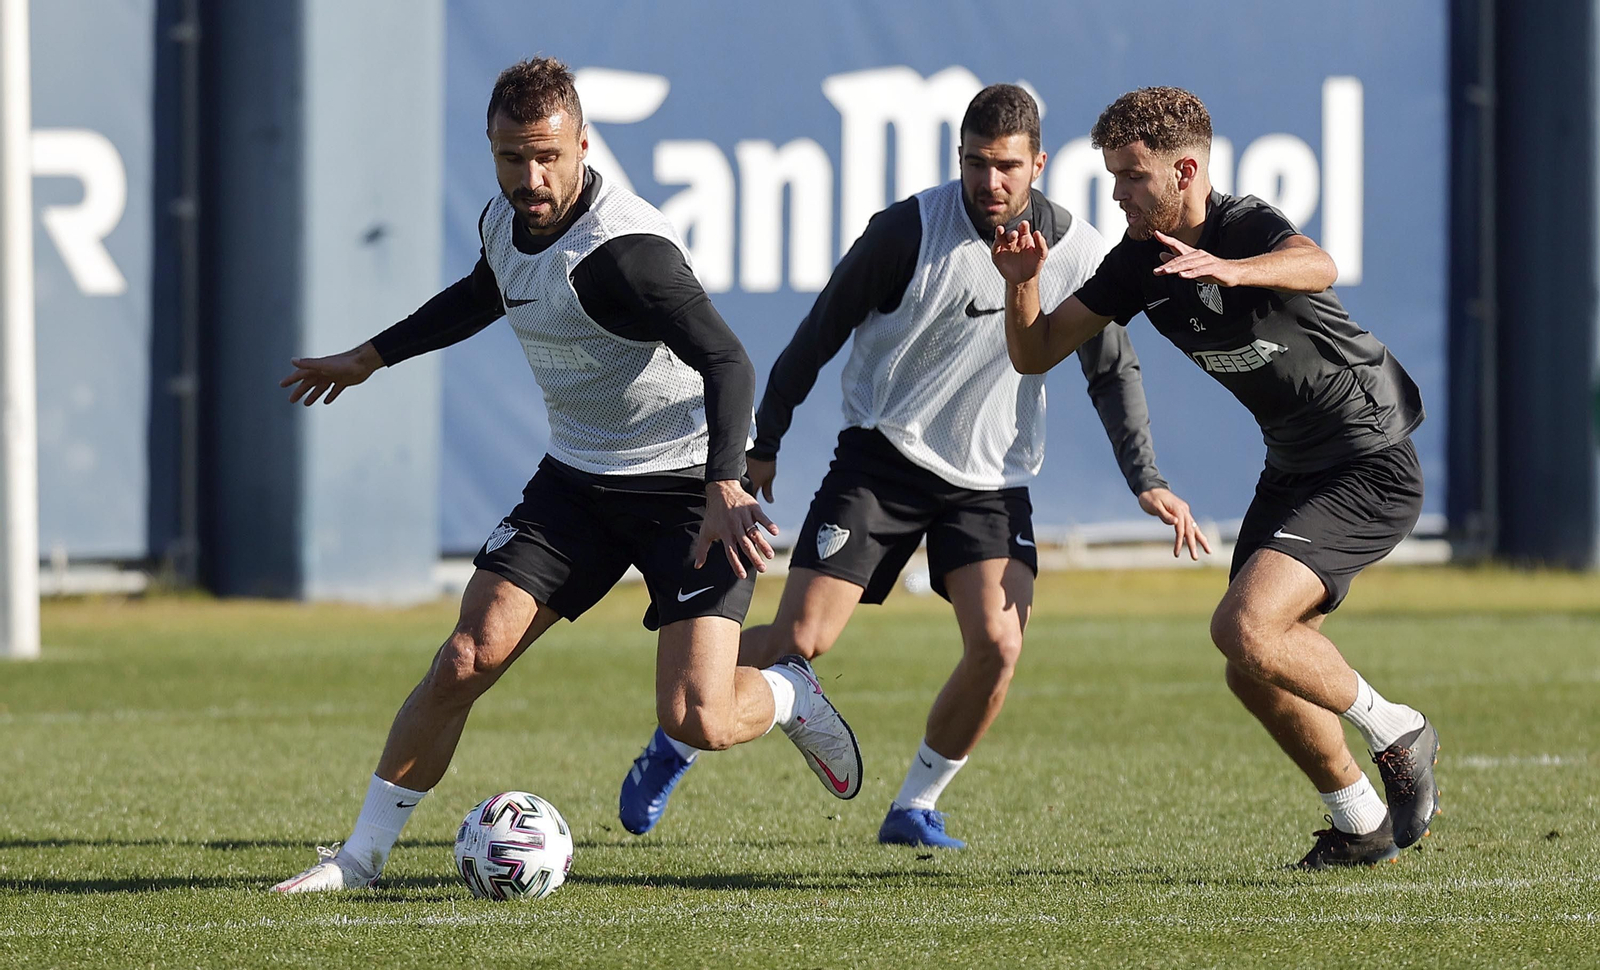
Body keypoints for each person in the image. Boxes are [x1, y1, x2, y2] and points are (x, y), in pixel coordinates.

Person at [271, 58, 861, 893]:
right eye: (513, 158)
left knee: (699, 717)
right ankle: (360, 859)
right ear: (492, 148)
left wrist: (725, 483)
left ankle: (788, 692)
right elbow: (486, 291)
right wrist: (371, 357)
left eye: (548, 155)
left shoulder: (627, 254)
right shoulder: (503, 221)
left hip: (686, 491)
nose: (531, 177)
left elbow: (729, 359)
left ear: (584, 144)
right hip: (576, 484)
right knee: (465, 658)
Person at [618, 84, 1207, 849]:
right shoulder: (906, 230)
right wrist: (766, 442)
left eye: (1005, 167)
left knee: (999, 645)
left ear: (1039, 163)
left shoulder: (1078, 250)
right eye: (973, 163)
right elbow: (820, 329)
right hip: (882, 459)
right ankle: (679, 740)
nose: (988, 183)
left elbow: (1111, 370)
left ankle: (915, 807)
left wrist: (1147, 478)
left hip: (991, 481)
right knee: (802, 638)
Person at [991, 86, 1440, 869]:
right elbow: (1035, 351)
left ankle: (1397, 728)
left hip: (1368, 457)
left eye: (1132, 176)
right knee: (1251, 666)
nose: (1118, 193)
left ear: (1185, 169)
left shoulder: (1242, 224)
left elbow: (1319, 263)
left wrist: (1235, 270)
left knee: (1244, 627)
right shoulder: (1139, 263)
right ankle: (1361, 818)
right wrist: (1020, 280)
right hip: (1295, 465)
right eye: (1112, 177)